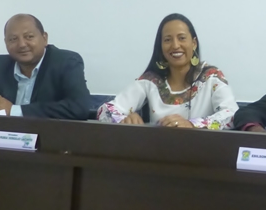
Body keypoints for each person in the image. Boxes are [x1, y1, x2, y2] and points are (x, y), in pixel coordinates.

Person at [98, 14, 238, 129]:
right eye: (167, 40)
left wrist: (192, 124)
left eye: (182, 38)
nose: (175, 45)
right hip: (158, 152)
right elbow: (105, 110)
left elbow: (231, 115)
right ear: (161, 46)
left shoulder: (211, 77)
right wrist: (124, 120)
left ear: (194, 43)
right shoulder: (151, 81)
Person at [0, 14, 91, 120]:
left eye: (29, 37)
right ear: (6, 43)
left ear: (44, 38)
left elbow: (79, 107)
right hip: (3, 143)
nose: (21, 44)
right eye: (13, 39)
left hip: (49, 144)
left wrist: (13, 110)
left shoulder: (65, 62)